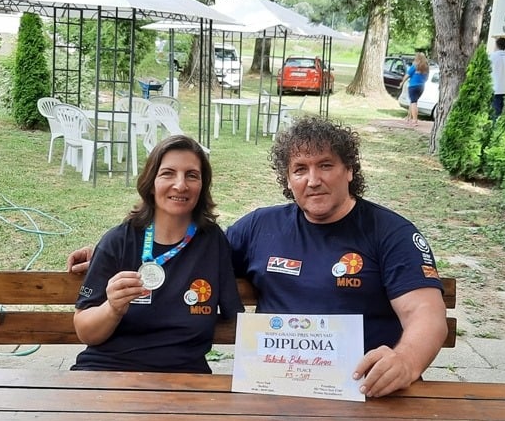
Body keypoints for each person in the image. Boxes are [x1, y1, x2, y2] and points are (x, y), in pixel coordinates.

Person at [68, 117, 448, 398]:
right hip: (277, 385)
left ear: (349, 170)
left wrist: (405, 361)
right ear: (288, 179)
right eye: (300, 169)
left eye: (325, 165)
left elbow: (426, 315)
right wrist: (111, 253)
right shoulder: (260, 227)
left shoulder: (389, 232)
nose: (313, 179)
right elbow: (192, 252)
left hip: (361, 387)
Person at [70, 134, 243, 374]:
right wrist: (112, 308)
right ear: (151, 183)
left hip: (183, 375)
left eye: (192, 175)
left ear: (202, 186)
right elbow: (85, 332)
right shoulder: (119, 241)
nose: (180, 185)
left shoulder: (213, 243)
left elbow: (238, 313)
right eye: (168, 173)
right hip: (109, 370)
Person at [400, 52, 430, 124]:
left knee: (414, 102)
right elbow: (427, 78)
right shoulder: (426, 67)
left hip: (413, 86)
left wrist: (402, 83)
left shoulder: (415, 66)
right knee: (413, 101)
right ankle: (409, 117)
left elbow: (407, 75)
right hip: (421, 87)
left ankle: (414, 120)